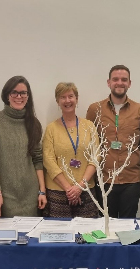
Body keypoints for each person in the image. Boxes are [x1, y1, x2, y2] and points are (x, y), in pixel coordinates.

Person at [85, 65, 140, 218]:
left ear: (129, 83)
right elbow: (89, 142)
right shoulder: (95, 109)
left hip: (131, 180)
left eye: (124, 80)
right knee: (105, 224)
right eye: (115, 79)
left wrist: (134, 160)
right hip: (103, 179)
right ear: (109, 82)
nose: (119, 83)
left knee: (127, 226)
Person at [0, 76, 46, 218]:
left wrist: (42, 191)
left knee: (30, 237)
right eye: (14, 92)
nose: (19, 96)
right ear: (7, 95)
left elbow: (37, 160)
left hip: (31, 193)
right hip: (5, 194)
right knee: (8, 237)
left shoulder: (34, 123)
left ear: (28, 96)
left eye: (23, 93)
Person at [43, 82, 99, 218]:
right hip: (58, 192)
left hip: (86, 190)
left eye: (71, 96)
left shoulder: (89, 126)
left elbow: (96, 157)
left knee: (87, 235)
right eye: (63, 97)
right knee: (60, 235)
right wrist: (69, 189)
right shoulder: (51, 128)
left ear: (77, 99)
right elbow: (48, 160)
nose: (67, 100)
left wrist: (79, 187)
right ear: (58, 101)